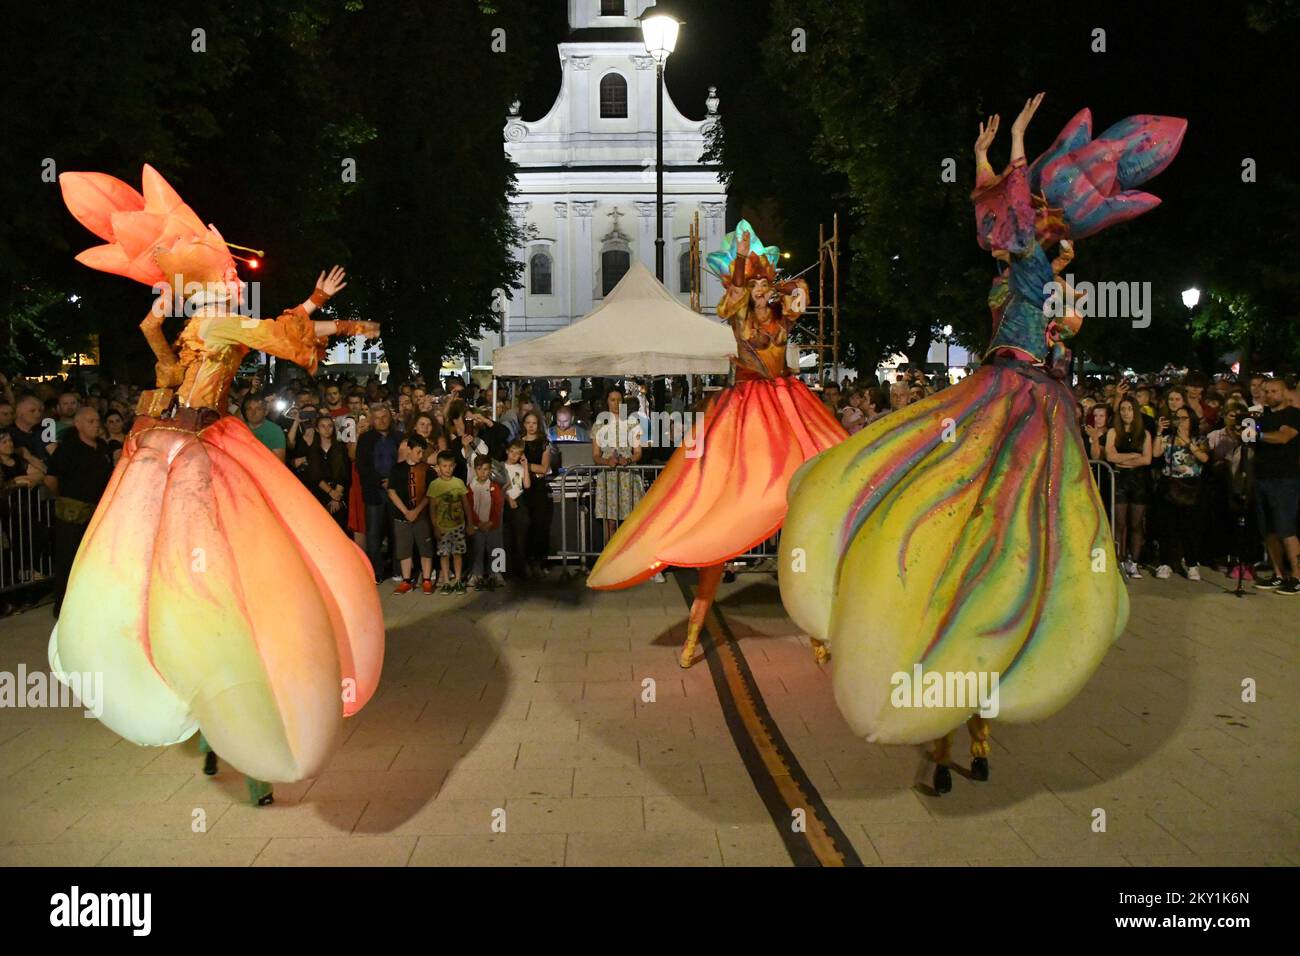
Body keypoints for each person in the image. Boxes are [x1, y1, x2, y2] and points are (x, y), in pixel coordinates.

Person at [589, 220, 846, 668]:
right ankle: (693, 635)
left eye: (768, 285)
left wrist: (779, 281)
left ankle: (819, 631)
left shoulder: (784, 315)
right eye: (758, 287)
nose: (765, 291)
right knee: (720, 522)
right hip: (745, 415)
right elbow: (729, 307)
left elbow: (802, 296)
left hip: (788, 410)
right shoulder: (739, 313)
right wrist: (744, 266)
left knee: (808, 518)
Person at [44, 405, 114, 617]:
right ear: (78, 424)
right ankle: (63, 608)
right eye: (90, 421)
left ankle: (90, 603)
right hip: (72, 514)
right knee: (68, 560)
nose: (96, 425)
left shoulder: (102, 447)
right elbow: (50, 479)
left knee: (93, 560)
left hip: (97, 512)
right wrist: (64, 499)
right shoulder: (68, 449)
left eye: (97, 421)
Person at [1252, 377, 1300, 593]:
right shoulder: (1263, 416)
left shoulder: (1294, 415)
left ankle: (1297, 577)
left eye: (1274, 391)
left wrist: (1258, 435)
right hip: (1262, 478)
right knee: (1269, 530)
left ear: (1284, 392)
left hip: (1284, 480)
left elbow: (1283, 437)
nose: (1270, 395)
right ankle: (1278, 574)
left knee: (1286, 529)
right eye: (1267, 391)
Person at [1152, 405, 1209, 580]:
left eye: (1184, 418)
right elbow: (1156, 453)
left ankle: (1191, 563)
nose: (1180, 421)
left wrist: (1188, 444)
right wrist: (1159, 432)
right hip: (1170, 484)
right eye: (1177, 418)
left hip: (1191, 485)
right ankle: (1165, 563)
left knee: (1190, 527)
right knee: (1168, 526)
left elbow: (1205, 458)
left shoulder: (1199, 439)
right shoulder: (1168, 438)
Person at [1106, 396, 1153, 578]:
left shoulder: (1145, 434)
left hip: (1139, 482)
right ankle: (1119, 559)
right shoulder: (1113, 432)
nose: (1126, 413)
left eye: (1130, 409)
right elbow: (1110, 457)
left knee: (1135, 524)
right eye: (1123, 409)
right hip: (1119, 481)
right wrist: (1134, 457)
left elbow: (1147, 459)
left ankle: (1133, 561)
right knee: (1119, 523)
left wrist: (1123, 460)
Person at [592, 387, 645, 546]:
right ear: (607, 402)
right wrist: (607, 461)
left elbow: (638, 452)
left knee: (631, 522)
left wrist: (627, 460)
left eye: (619, 400)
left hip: (627, 475)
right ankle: (609, 561)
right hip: (608, 477)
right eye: (612, 400)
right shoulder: (599, 424)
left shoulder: (631, 423)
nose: (616, 404)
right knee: (610, 522)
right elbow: (595, 455)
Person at [357, 402, 402, 581]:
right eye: (377, 418)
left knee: (396, 532)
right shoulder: (365, 439)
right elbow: (362, 465)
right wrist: (380, 482)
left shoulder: (399, 437)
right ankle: (377, 571)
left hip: (396, 491)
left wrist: (393, 482)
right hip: (374, 492)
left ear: (390, 418)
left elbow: (403, 463)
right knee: (374, 534)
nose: (381, 421)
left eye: (384, 417)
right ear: (372, 420)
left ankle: (398, 570)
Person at [387, 434, 435, 594]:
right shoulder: (397, 469)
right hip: (402, 517)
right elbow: (392, 492)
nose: (421, 456)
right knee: (404, 549)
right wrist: (406, 511)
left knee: (425, 548)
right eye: (418, 452)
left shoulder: (427, 470)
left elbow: (430, 493)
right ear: (408, 450)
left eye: (422, 452)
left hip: (421, 516)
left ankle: (426, 579)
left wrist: (416, 510)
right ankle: (406, 580)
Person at [428, 448, 472, 593]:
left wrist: (470, 523)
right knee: (444, 554)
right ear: (439, 467)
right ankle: (446, 581)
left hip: (458, 525)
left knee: (457, 554)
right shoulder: (434, 485)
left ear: (454, 466)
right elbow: (432, 508)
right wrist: (435, 527)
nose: (447, 469)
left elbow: (466, 505)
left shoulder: (458, 483)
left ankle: (458, 580)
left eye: (450, 466)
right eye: (444, 466)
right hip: (442, 527)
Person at [466, 454, 506, 590]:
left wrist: (491, 522)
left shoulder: (495, 487)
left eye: (486, 469)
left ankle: (497, 574)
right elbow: (469, 508)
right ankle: (476, 574)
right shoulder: (470, 488)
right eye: (479, 469)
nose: (482, 472)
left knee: (496, 549)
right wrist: (477, 523)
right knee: (477, 550)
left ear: (490, 470)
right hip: (478, 526)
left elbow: (498, 506)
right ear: (474, 470)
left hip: (492, 526)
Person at [306, 413, 351, 530]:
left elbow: (344, 473)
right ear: (317, 429)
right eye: (323, 426)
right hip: (321, 493)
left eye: (330, 426)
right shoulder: (313, 450)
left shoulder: (341, 448)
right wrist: (331, 492)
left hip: (339, 493)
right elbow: (315, 475)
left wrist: (336, 496)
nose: (327, 429)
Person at [502, 439, 531, 579]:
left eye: (517, 453)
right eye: (512, 452)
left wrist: (525, 466)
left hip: (520, 501)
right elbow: (498, 487)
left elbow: (527, 485)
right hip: (506, 501)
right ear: (507, 451)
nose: (514, 456)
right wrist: (508, 499)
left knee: (521, 538)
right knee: (506, 538)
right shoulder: (501, 467)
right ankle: (506, 571)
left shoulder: (520, 468)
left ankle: (520, 570)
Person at [243, 394, 286, 463]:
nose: (253, 412)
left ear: (265, 412)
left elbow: (279, 462)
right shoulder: (239, 427)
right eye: (249, 409)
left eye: (258, 409)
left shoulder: (275, 431)